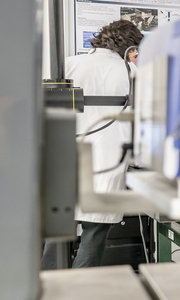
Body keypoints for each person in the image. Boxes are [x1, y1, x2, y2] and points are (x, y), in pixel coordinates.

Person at [41, 20, 143, 269]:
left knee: (57, 236)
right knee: (94, 236)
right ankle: (79, 291)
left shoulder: (68, 63)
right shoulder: (128, 71)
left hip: (66, 158)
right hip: (107, 162)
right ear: (130, 48)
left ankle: (49, 287)